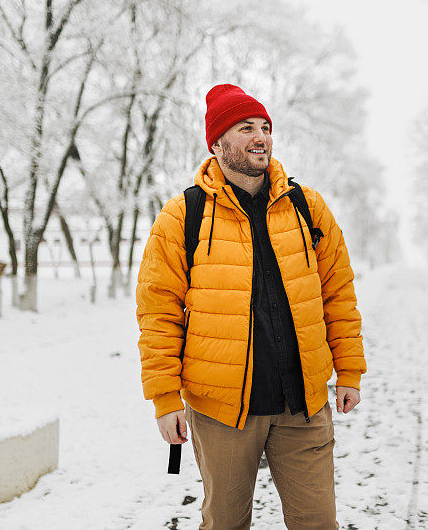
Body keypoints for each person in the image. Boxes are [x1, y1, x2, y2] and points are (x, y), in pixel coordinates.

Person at [136, 84, 366, 529]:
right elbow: (158, 312)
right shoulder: (182, 216)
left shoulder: (306, 207)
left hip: (303, 402)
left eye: (264, 127)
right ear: (217, 143)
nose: (260, 136)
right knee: (224, 524)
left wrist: (349, 370)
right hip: (222, 409)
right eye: (245, 128)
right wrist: (165, 398)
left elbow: (338, 292)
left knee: (318, 523)